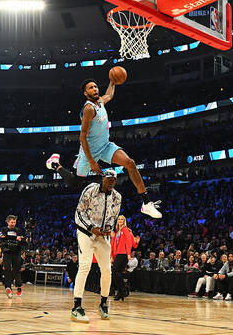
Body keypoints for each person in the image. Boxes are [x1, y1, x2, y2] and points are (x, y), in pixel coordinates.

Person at [46, 78, 161, 219]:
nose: (94, 89)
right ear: (85, 93)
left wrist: (112, 82)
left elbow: (109, 95)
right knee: (76, 182)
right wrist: (92, 162)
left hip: (105, 146)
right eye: (90, 88)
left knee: (130, 163)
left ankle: (146, 203)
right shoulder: (89, 109)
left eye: (95, 86)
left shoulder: (100, 102)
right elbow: (82, 138)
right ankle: (55, 165)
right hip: (90, 151)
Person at [71, 169, 121, 323]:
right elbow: (79, 212)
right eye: (108, 179)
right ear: (102, 178)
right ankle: (77, 307)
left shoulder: (117, 197)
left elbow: (113, 217)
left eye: (113, 180)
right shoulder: (90, 190)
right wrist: (91, 227)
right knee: (85, 265)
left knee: (107, 270)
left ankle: (103, 303)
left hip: (102, 235)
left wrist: (108, 228)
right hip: (86, 232)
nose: (111, 183)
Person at [110, 215, 139, 301]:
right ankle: (121, 291)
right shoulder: (118, 231)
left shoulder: (125, 230)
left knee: (115, 271)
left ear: (124, 221)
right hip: (117, 254)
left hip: (123, 254)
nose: (120, 220)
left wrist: (128, 254)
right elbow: (114, 245)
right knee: (116, 273)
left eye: (122, 219)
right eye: (119, 219)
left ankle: (123, 289)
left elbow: (129, 242)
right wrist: (112, 256)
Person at [0, 215, 26, 298]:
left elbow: (23, 241)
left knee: (16, 270)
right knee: (7, 269)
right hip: (7, 252)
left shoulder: (18, 230)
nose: (13, 224)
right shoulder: (4, 230)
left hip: (16, 253)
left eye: (14, 222)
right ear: (8, 222)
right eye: (11, 222)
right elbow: (3, 237)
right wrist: (15, 238)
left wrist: (23, 241)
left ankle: (18, 285)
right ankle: (8, 287)